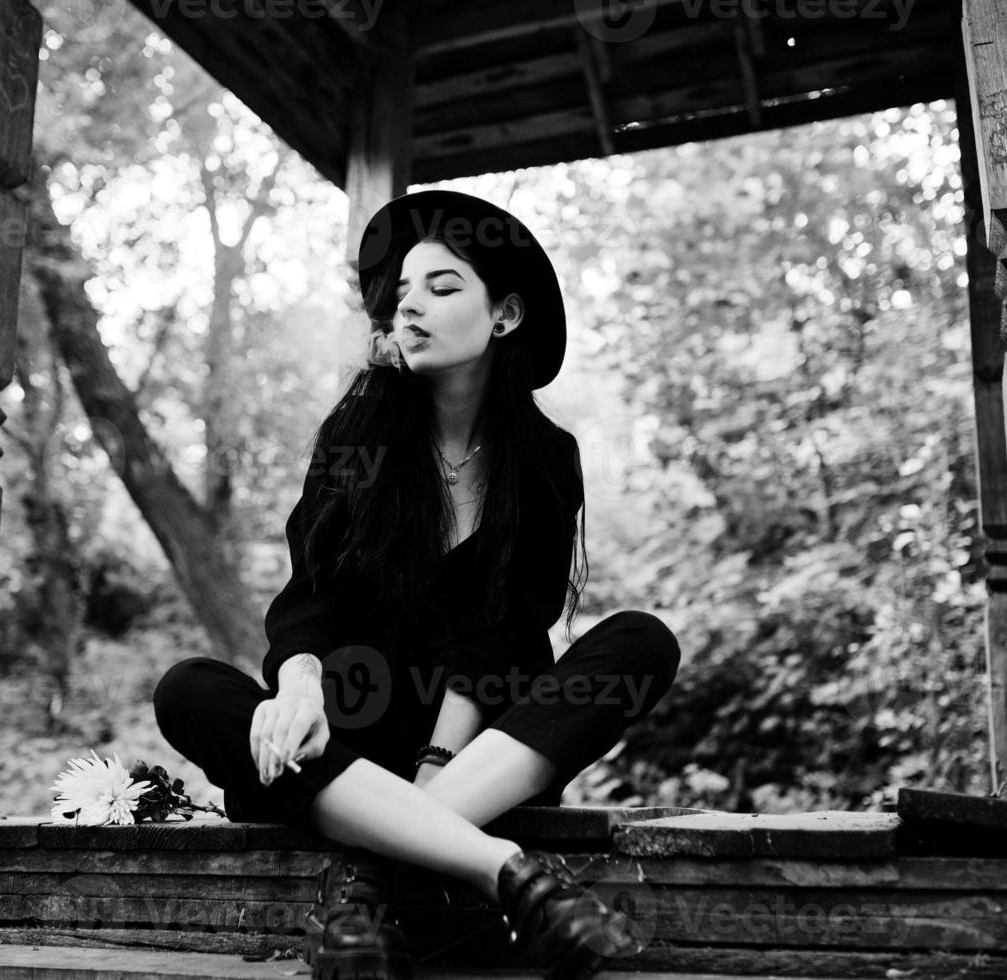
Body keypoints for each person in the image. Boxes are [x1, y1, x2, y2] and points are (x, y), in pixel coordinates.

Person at [152, 190, 681, 980]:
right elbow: (311, 597)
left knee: (641, 639)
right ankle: (514, 875)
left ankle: (369, 876)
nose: (410, 309)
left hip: (479, 747)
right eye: (400, 295)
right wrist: (295, 688)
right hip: (346, 741)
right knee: (190, 689)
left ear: (502, 316)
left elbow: (504, 630)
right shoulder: (357, 432)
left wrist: (435, 770)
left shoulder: (542, 458)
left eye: (441, 287)